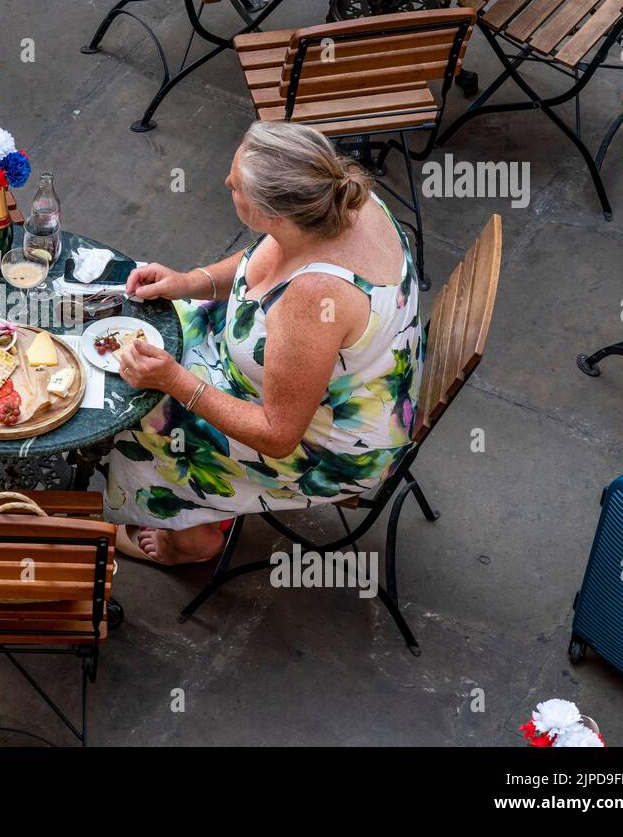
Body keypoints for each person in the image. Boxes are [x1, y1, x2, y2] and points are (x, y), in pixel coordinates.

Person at [104, 121, 423, 564]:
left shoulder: (314, 298)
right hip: (303, 374)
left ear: (270, 214)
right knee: (139, 315)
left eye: (235, 186)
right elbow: (263, 261)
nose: (226, 182)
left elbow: (278, 437)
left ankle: (186, 537)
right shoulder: (339, 196)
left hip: (325, 446)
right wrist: (188, 282)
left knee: (142, 408)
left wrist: (175, 381)